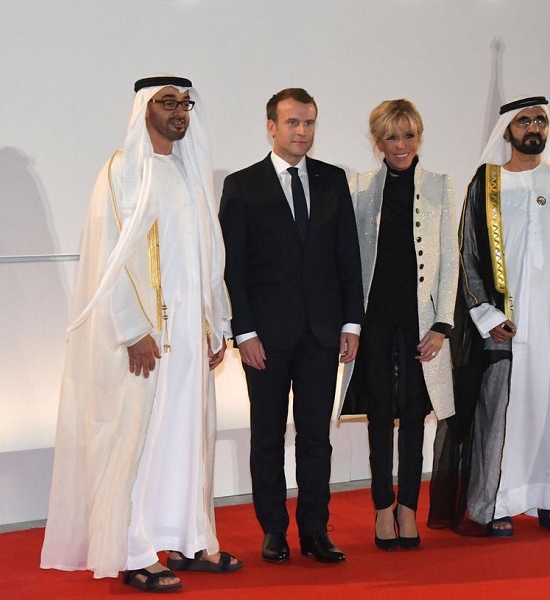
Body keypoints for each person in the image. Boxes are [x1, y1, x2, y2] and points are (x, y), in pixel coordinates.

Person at [40, 75, 242, 593]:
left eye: (184, 103)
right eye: (167, 102)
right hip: (147, 343)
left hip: (190, 345)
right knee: (139, 443)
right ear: (143, 109)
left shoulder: (189, 171)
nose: (179, 112)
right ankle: (133, 551)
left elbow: (208, 257)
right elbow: (110, 256)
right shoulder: (122, 171)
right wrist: (132, 330)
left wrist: (217, 321)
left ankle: (189, 538)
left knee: (188, 438)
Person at [428, 95, 550, 538]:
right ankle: (495, 503)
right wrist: (485, 316)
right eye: (523, 120)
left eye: (540, 120)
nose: (533, 128)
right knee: (498, 413)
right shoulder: (487, 182)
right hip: (507, 326)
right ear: (506, 130)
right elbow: (466, 254)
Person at [220, 88, 364, 564]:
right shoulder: (242, 185)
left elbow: (348, 256)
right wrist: (244, 333)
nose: (302, 132)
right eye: (292, 123)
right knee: (265, 436)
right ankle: (273, 531)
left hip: (323, 334)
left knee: (315, 437)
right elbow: (233, 268)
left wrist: (352, 323)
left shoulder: (332, 180)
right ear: (271, 126)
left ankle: (315, 531)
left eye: (309, 123)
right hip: (265, 338)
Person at [338, 99, 458, 551]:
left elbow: (450, 261)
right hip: (374, 322)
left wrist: (442, 325)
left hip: (420, 322)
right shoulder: (361, 186)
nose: (401, 145)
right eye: (392, 137)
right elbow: (350, 260)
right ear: (378, 142)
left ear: (418, 137)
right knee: (378, 419)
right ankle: (382, 508)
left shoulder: (442, 186)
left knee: (413, 417)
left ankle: (409, 506)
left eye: (408, 135)